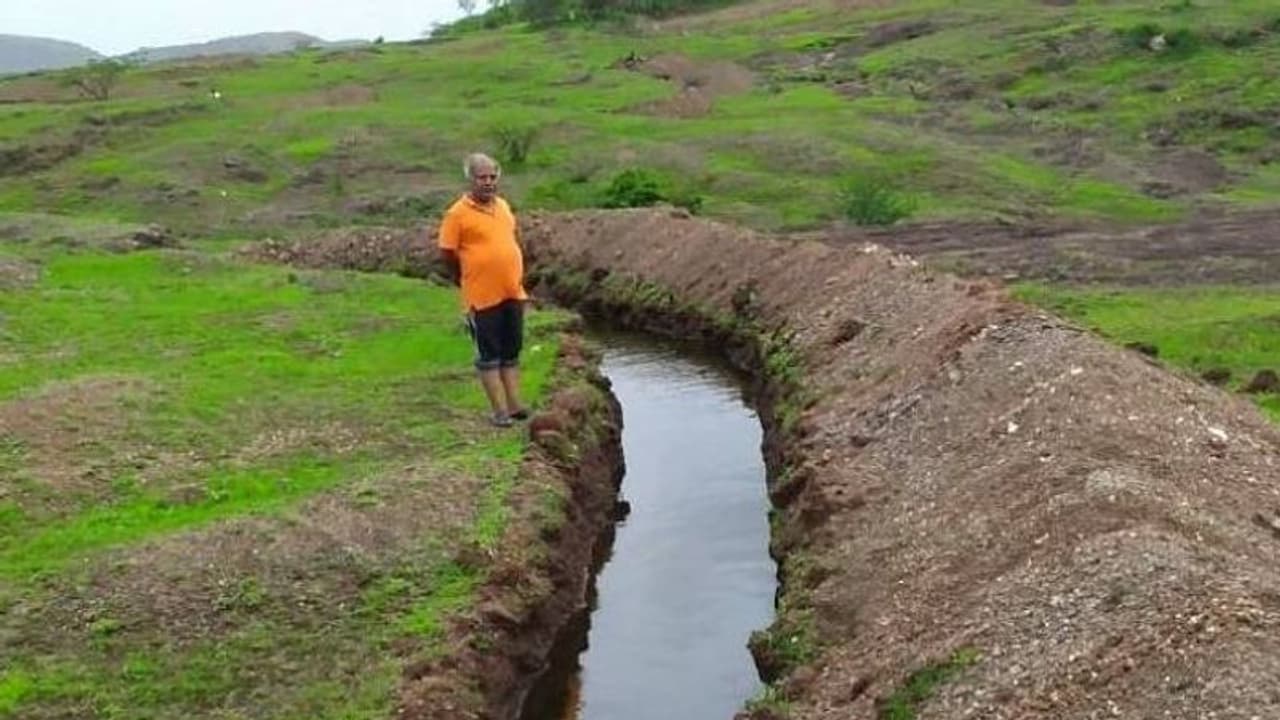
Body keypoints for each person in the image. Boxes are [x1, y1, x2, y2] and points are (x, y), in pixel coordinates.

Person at [437, 152, 529, 427]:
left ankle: (515, 405)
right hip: (482, 297)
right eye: (482, 178)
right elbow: (447, 252)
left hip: (512, 292)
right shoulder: (457, 214)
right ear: (471, 180)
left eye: (492, 177)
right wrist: (464, 277)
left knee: (511, 352)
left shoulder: (503, 206)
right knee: (489, 356)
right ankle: (499, 412)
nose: (488, 182)